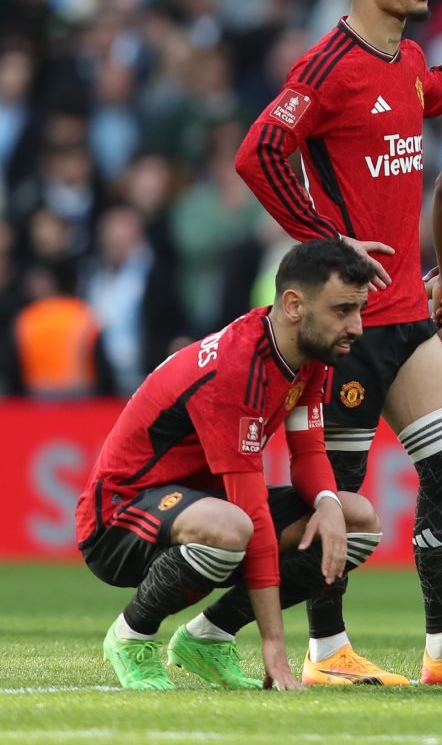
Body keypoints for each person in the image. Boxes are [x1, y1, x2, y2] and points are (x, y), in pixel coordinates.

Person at [234, 0, 442, 684]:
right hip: (345, 325)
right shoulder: (328, 65)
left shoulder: (401, 61)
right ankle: (327, 650)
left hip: (405, 313)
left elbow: (430, 92)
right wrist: (325, 246)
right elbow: (259, 151)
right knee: (336, 492)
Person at [76, 239, 383, 691]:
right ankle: (130, 636)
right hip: (117, 517)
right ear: (294, 305)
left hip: (203, 507)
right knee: (233, 525)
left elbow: (309, 452)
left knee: (357, 519)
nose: (356, 326)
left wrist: (328, 504)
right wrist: (274, 648)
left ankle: (208, 637)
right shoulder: (236, 369)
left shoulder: (307, 355)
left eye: (358, 310)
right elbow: (252, 516)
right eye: (342, 310)